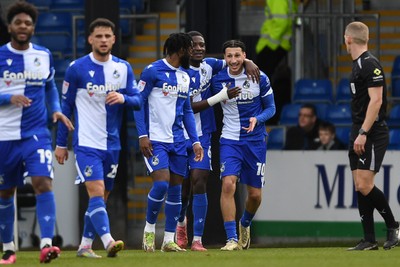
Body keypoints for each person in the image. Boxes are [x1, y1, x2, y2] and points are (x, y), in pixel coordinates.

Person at [55, 18, 142, 258]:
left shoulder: (123, 68)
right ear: (90, 39)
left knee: (101, 198)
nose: (103, 40)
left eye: (107, 36)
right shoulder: (77, 68)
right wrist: (62, 143)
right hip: (86, 143)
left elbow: (138, 100)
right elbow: (66, 107)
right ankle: (108, 241)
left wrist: (124, 98)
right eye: (99, 36)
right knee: (96, 192)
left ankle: (84, 246)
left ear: (114, 39)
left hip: (112, 145)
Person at [0, 1, 74, 264]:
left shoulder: (43, 54)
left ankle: (46, 245)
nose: (23, 26)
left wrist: (55, 110)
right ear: (10, 26)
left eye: (28, 23)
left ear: (33, 27)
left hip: (36, 133)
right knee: (5, 193)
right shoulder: (0, 55)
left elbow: (50, 87)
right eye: (18, 22)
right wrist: (8, 97)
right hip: (4, 136)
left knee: (43, 182)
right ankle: (9, 250)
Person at [176, 31, 260, 252]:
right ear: (185, 49)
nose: (199, 48)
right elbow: (188, 108)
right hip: (178, 133)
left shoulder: (210, 65)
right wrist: (220, 97)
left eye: (202, 45)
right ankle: (181, 223)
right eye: (194, 45)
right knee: (183, 188)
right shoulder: (179, 72)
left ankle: (197, 240)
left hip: (203, 134)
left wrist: (249, 61)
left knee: (200, 180)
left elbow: (234, 58)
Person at [134, 32, 204, 253]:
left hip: (178, 141)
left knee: (176, 190)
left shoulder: (184, 76)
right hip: (156, 140)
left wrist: (195, 141)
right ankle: (149, 230)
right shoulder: (152, 71)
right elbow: (138, 103)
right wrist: (142, 135)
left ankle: (169, 240)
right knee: (162, 183)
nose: (192, 54)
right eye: (190, 50)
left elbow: (187, 112)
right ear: (181, 50)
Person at [211, 40, 276, 251]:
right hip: (230, 139)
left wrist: (258, 119)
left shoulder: (259, 77)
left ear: (244, 55)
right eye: (229, 56)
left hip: (255, 140)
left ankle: (245, 223)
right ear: (224, 58)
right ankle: (231, 238)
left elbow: (272, 108)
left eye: (237, 56)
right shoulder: (218, 78)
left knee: (255, 195)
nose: (233, 61)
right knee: (228, 184)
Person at [344, 21, 399, 251]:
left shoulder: (369, 64)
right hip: (358, 128)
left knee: (365, 185)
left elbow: (376, 101)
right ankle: (368, 239)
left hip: (372, 131)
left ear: (347, 39)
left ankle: (394, 227)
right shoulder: (357, 65)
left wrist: (364, 132)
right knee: (359, 185)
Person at [255, 0, 297, 124]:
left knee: (262, 84)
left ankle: (268, 118)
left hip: (272, 46)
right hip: (278, 45)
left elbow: (281, 21)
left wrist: (272, 43)